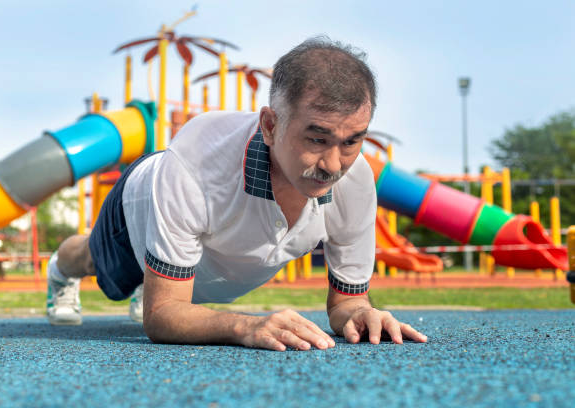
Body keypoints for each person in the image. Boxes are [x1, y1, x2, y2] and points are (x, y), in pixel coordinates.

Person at [46, 36, 428, 351]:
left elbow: (346, 302)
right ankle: (61, 271)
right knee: (95, 262)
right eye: (316, 138)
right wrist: (245, 327)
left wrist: (360, 313)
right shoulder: (194, 169)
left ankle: (162, 272)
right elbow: (162, 315)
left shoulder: (355, 181)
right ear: (269, 125)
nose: (333, 164)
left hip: (197, 239)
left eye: (351, 141)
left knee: (169, 285)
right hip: (138, 208)